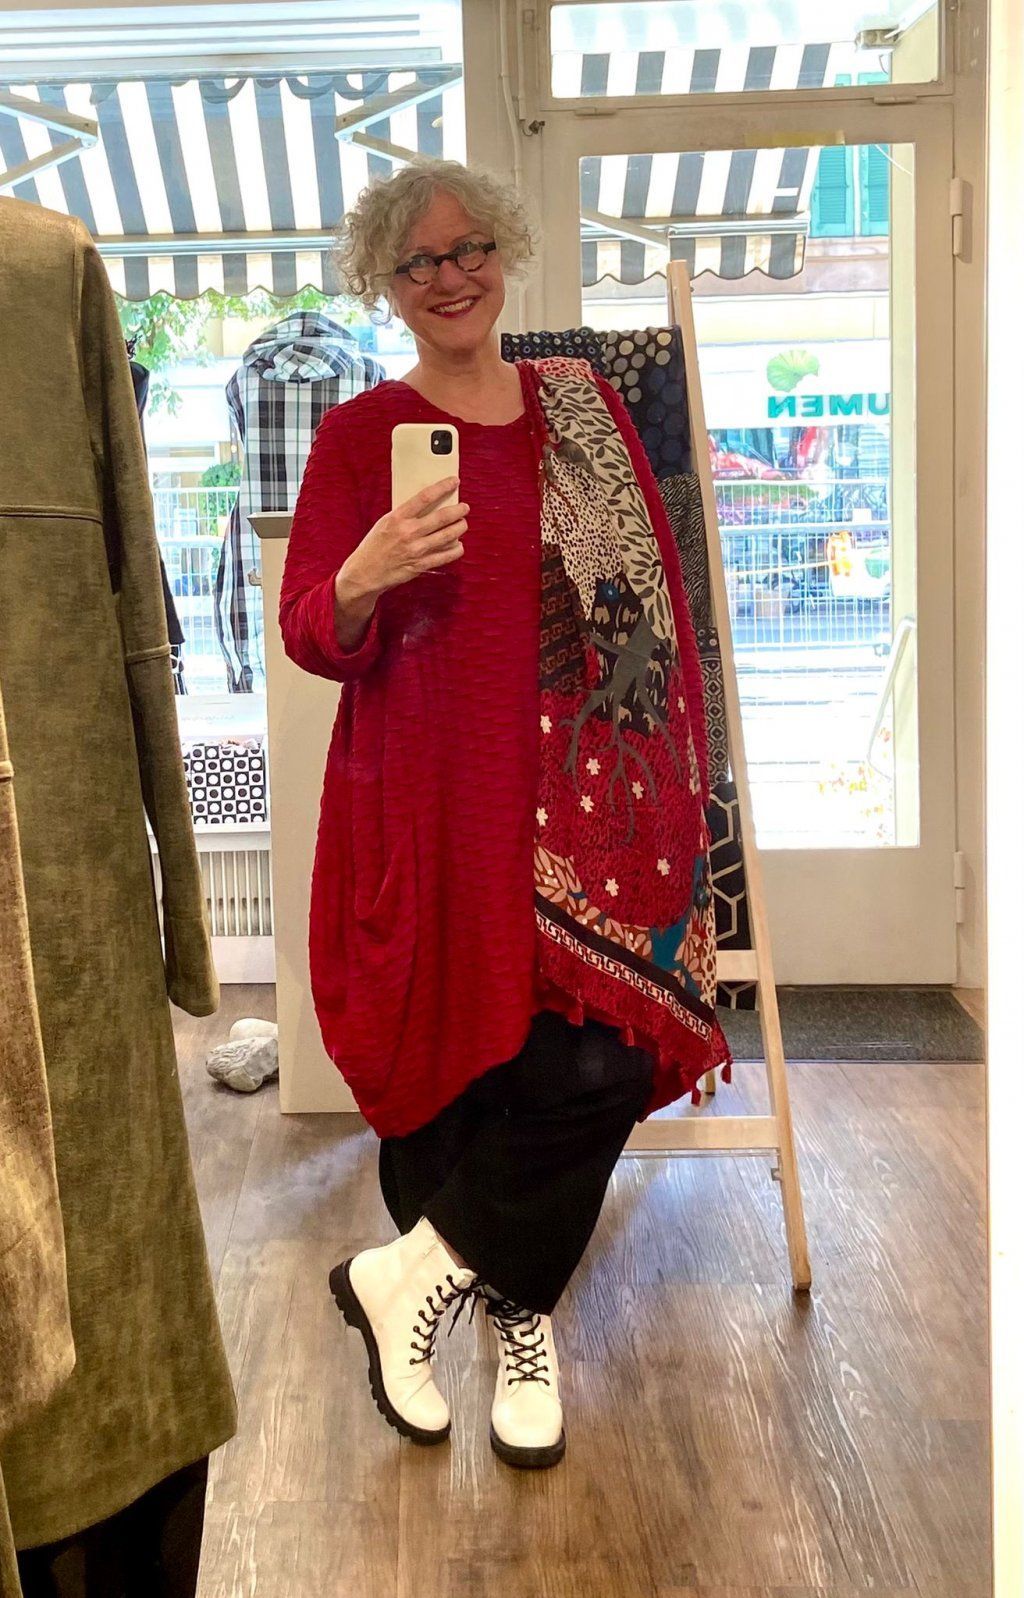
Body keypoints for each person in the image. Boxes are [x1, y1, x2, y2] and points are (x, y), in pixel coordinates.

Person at [279, 158, 730, 1471]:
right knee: (440, 1069)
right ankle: (468, 1311)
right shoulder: (359, 437)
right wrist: (363, 574)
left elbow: (651, 616)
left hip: (578, 812)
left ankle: (440, 1290)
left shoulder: (582, 410)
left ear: (506, 251)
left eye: (470, 247)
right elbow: (309, 630)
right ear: (386, 283)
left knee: (593, 1067)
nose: (451, 276)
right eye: (419, 260)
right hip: (420, 801)